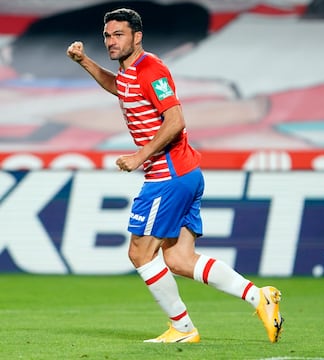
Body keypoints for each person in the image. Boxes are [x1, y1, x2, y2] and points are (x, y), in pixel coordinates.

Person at [67, 8, 283, 343]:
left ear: (137, 37)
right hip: (184, 173)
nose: (111, 41)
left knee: (140, 253)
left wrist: (140, 155)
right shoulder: (128, 72)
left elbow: (176, 120)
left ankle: (182, 328)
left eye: (119, 34)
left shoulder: (151, 69)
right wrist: (85, 61)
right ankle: (260, 298)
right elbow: (119, 87)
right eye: (108, 35)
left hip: (168, 175)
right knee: (180, 259)